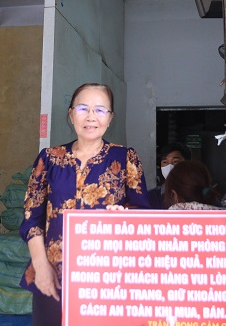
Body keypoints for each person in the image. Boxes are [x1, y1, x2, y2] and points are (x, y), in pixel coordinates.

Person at [19, 83, 150, 326]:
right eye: (83, 108)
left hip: (108, 278)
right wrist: (41, 266)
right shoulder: (49, 158)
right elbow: (31, 216)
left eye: (100, 110)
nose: (91, 117)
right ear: (71, 114)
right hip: (53, 274)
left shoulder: (125, 158)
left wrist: (124, 215)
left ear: (110, 119)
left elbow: (142, 213)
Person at [148, 142, 191, 209]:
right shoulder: (151, 196)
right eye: (165, 162)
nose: (169, 166)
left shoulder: (195, 194)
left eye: (175, 161)